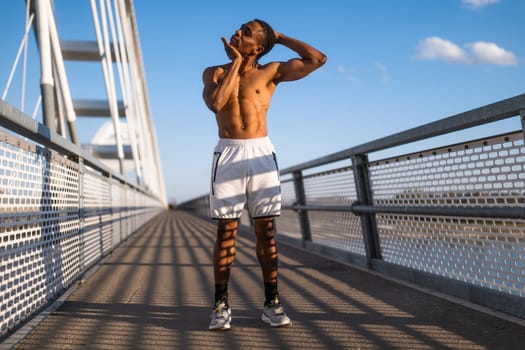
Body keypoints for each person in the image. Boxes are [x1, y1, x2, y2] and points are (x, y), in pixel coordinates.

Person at [202, 19, 326, 330]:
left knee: (265, 232)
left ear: (258, 46)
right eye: (239, 28)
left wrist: (280, 37)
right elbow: (217, 103)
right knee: (225, 232)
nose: (237, 32)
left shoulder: (271, 72)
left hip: (260, 154)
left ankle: (272, 303)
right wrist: (238, 63)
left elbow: (317, 59)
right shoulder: (215, 72)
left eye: (246, 32)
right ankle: (220, 305)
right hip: (228, 153)